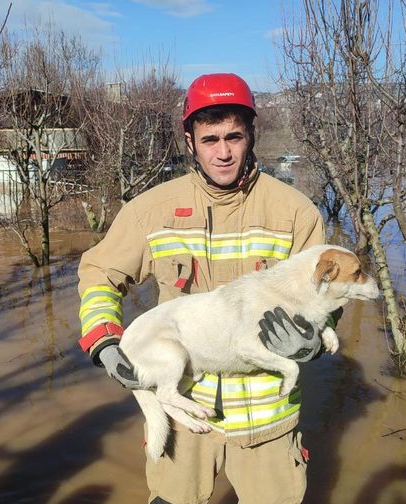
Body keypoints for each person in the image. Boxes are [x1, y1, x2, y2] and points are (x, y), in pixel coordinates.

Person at [77, 73, 331, 504]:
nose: (224, 152)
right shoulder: (151, 211)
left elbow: (327, 293)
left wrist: (314, 340)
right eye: (210, 139)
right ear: (190, 143)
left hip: (267, 416)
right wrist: (104, 341)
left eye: (234, 136)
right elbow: (100, 272)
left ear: (250, 136)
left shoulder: (294, 212)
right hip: (184, 412)